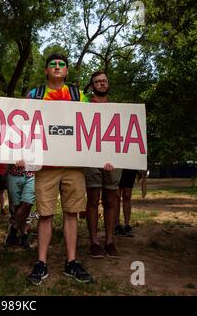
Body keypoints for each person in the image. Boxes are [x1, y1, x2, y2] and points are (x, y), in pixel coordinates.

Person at [26, 53, 94, 285]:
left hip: (73, 165)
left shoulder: (79, 95)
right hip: (46, 165)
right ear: (46, 70)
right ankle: (41, 263)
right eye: (52, 64)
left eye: (61, 64)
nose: (57, 67)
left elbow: (94, 125)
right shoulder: (34, 95)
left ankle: (71, 262)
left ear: (66, 71)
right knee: (44, 214)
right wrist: (18, 154)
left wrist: (106, 154)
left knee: (71, 213)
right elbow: (23, 125)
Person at [83, 71, 122, 258]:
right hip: (91, 158)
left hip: (113, 159)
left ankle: (110, 241)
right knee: (92, 199)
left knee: (111, 200)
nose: (102, 84)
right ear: (92, 86)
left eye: (104, 81)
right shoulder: (85, 108)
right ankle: (94, 242)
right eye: (98, 81)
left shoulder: (118, 110)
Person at [4, 162, 35, 249]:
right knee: (17, 207)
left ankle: (14, 228)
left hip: (31, 174)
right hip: (13, 174)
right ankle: (24, 234)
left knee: (27, 203)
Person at [115, 169, 138, 237]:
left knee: (127, 195)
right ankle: (117, 225)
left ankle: (127, 225)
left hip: (129, 167)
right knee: (116, 196)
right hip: (117, 166)